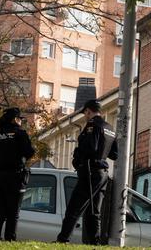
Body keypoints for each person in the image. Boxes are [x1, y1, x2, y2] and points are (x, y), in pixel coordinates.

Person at [56, 99, 117, 244]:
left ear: (88, 111)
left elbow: (91, 148)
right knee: (94, 211)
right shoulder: (110, 128)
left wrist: (78, 157)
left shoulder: (92, 125)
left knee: (74, 208)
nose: (85, 116)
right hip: (103, 173)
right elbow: (115, 154)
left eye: (85, 113)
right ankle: (94, 242)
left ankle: (63, 239)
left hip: (90, 171)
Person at [0, 107, 35, 241]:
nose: (21, 122)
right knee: (13, 213)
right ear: (15, 119)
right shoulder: (20, 134)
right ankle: (9, 241)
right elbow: (29, 152)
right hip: (15, 177)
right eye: (19, 119)